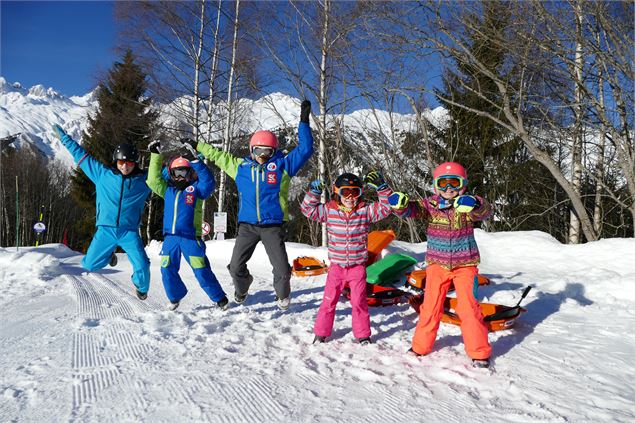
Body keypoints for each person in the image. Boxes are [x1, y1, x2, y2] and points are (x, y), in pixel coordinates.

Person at [182, 100, 314, 310]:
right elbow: (218, 156)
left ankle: (282, 295)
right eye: (258, 151)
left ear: (274, 152)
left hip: (272, 225)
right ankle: (242, 288)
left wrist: (304, 122)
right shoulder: (240, 167)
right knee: (235, 266)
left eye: (267, 152)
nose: (262, 156)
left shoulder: (283, 166)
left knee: (281, 268)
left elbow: (305, 149)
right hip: (247, 226)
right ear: (251, 150)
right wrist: (198, 145)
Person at [390, 161, 493, 367]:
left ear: (462, 185)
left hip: (465, 264)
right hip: (437, 264)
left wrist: (474, 203)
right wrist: (400, 206)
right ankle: (420, 346)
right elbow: (412, 209)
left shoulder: (466, 204)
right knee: (430, 306)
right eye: (443, 183)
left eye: (453, 183)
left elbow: (484, 211)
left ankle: (479, 352)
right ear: (436, 186)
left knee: (468, 308)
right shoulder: (432, 205)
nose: (448, 189)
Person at [53, 124, 151, 299]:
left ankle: (140, 287)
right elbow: (81, 156)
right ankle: (108, 257)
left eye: (129, 163)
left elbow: (166, 174)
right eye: (121, 162)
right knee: (89, 265)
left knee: (142, 266)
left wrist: (190, 163)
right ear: (116, 161)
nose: (125, 166)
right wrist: (65, 139)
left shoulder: (144, 181)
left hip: (129, 231)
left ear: (135, 163)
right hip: (106, 229)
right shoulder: (102, 174)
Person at [301, 171, 393, 345]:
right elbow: (307, 210)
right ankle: (321, 333)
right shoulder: (329, 210)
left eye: (355, 192)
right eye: (345, 192)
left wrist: (383, 189)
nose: (350, 198)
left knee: (358, 302)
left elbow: (386, 208)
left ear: (360, 193)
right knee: (329, 301)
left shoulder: (365, 210)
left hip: (357, 268)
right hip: (336, 267)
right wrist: (313, 193)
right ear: (337, 192)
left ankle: (363, 335)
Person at [146, 140, 229, 311]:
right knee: (166, 269)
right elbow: (153, 180)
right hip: (171, 238)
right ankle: (175, 297)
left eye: (184, 172)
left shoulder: (196, 190)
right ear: (171, 174)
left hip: (190, 238)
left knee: (201, 269)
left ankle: (219, 297)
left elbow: (209, 183)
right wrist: (155, 155)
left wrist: (196, 162)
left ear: (191, 173)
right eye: (176, 173)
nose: (180, 177)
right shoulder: (167, 190)